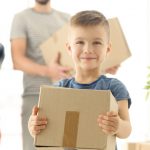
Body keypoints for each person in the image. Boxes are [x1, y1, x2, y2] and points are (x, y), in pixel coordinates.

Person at [28, 10, 132, 150]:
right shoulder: (59, 89)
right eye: (80, 42)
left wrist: (118, 125)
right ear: (69, 48)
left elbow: (127, 129)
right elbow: (43, 130)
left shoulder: (114, 87)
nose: (87, 49)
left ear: (108, 49)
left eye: (96, 42)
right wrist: (33, 125)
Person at [10, 0, 72, 150]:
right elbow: (17, 60)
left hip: (66, 96)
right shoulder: (21, 18)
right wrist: (48, 71)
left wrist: (104, 65)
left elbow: (77, 55)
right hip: (36, 96)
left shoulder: (67, 19)